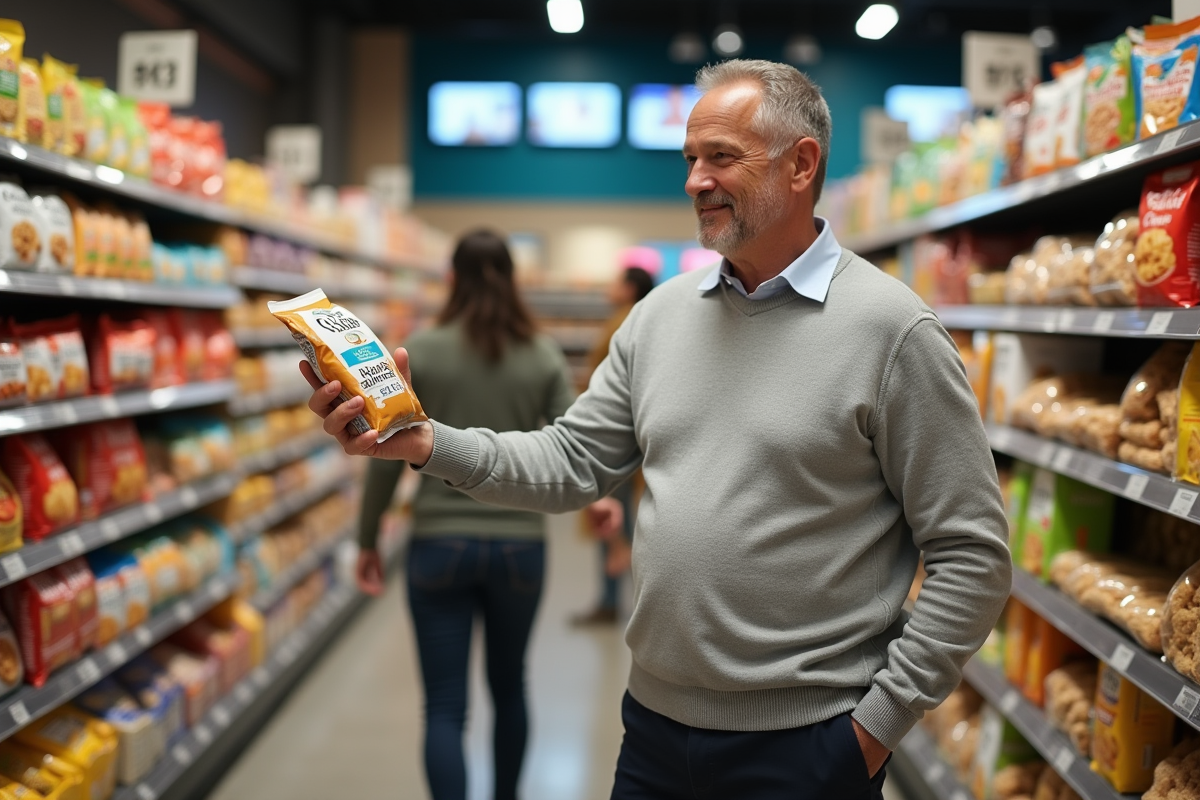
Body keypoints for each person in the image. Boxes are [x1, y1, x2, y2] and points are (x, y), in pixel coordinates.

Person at [305, 59, 1011, 798]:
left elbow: (972, 554)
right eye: (690, 159)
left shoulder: (892, 332)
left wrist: (872, 732)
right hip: (652, 731)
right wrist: (424, 440)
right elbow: (574, 458)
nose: (694, 181)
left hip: (809, 747)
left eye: (721, 158)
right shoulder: (661, 317)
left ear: (802, 164)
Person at [354, 229, 614, 800]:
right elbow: (576, 443)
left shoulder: (420, 350)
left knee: (445, 706)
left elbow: (383, 455)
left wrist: (367, 538)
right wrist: (598, 501)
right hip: (520, 546)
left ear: (451, 278)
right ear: (513, 281)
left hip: (438, 545)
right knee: (510, 687)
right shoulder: (541, 354)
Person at [572, 263, 655, 626]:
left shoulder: (624, 321)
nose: (611, 286)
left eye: (618, 281)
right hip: (631, 432)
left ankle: (612, 601)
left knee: (613, 519)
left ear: (630, 287)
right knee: (629, 520)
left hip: (615, 436)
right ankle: (632, 602)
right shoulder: (644, 318)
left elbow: (609, 376)